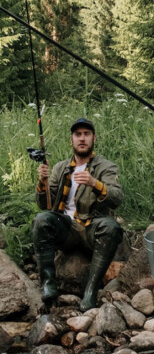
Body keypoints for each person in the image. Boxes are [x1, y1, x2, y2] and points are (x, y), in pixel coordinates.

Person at [32, 118, 123, 312]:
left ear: (94, 138)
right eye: (78, 135)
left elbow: (116, 198)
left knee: (112, 227)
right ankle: (48, 284)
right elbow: (44, 206)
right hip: (67, 230)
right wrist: (42, 181)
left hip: (92, 227)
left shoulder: (106, 167)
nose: (82, 139)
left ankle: (90, 293)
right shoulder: (60, 168)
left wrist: (94, 183)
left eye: (86, 134)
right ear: (71, 140)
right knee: (41, 221)